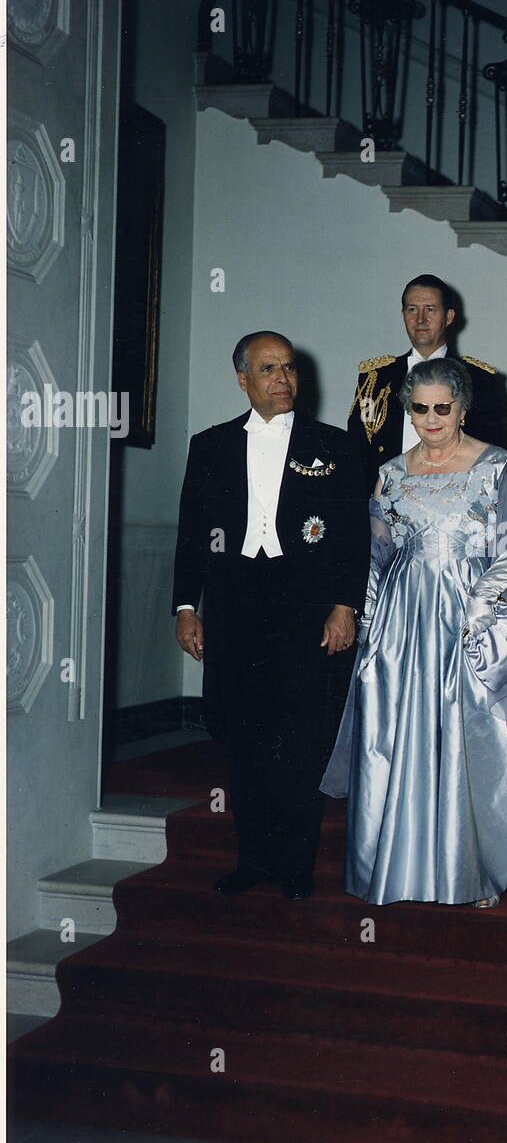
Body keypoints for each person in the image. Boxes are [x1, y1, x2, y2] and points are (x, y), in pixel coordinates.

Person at [322, 356, 507, 905]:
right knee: (394, 734)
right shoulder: (391, 474)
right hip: (402, 620)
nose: (430, 419)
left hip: (468, 612)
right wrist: (371, 624)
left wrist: (482, 603)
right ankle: (393, 865)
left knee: (470, 732)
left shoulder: (497, 467)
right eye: (419, 408)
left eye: (442, 408)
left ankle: (471, 867)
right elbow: (376, 555)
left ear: (463, 408)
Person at [173, 331, 369, 900]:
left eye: (289, 368)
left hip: (304, 607)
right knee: (242, 734)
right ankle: (253, 858)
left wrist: (343, 605)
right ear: (243, 380)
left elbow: (352, 538)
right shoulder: (210, 446)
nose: (282, 378)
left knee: (300, 737)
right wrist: (186, 606)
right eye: (268, 369)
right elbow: (190, 534)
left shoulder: (335, 445)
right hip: (234, 607)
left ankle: (294, 863)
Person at [347, 274, 507, 490]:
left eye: (430, 309)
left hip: (456, 499)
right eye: (412, 309)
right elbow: (355, 450)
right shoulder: (375, 377)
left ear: (449, 317)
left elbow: (495, 454)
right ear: (403, 314)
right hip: (385, 497)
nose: (420, 319)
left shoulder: (480, 379)